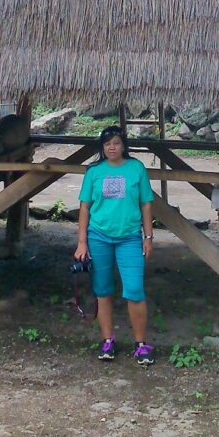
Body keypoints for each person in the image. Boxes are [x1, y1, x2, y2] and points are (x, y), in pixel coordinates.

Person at [75, 125, 156, 365]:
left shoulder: (136, 169)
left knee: (134, 290)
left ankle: (141, 344)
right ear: (102, 147)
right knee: (103, 289)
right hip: (98, 236)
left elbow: (146, 204)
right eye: (107, 143)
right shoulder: (94, 172)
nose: (112, 147)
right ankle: (107, 340)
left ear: (124, 146)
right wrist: (81, 242)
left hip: (129, 237)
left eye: (117, 143)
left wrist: (148, 237)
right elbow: (84, 207)